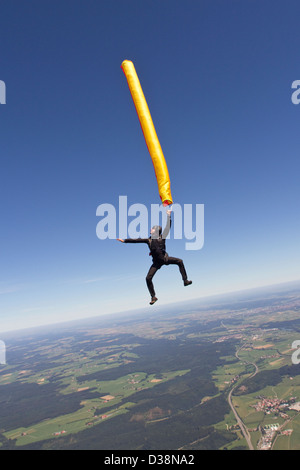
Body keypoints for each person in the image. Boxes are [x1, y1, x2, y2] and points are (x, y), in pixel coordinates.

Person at [117, 210, 192, 305]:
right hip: (156, 262)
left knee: (180, 261)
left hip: (165, 259)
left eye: (152, 229)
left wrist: (169, 215)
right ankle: (153, 297)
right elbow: (136, 240)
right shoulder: (148, 240)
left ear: (156, 230)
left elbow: (168, 227)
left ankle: (185, 281)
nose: (150, 229)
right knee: (148, 278)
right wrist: (124, 241)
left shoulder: (162, 237)